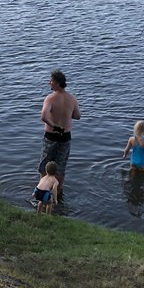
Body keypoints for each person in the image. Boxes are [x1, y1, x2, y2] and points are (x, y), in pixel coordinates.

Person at [39, 69, 81, 199]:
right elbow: (77, 116)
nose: (49, 83)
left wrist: (54, 125)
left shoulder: (50, 98)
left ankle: (43, 191)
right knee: (61, 165)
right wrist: (66, 115)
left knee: (45, 164)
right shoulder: (72, 98)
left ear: (57, 83)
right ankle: (58, 192)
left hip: (51, 135)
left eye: (51, 81)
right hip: (65, 136)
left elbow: (44, 116)